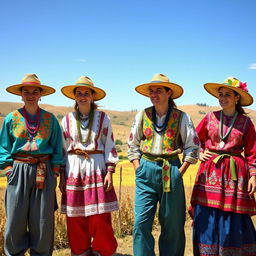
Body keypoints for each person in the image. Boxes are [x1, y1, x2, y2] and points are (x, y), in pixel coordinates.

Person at [127, 73, 200, 256]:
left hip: (171, 169)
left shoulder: (181, 117)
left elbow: (193, 147)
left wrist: (179, 172)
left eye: (158, 90)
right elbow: (133, 144)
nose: (153, 94)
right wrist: (139, 168)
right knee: (140, 224)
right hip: (146, 170)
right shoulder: (142, 115)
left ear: (169, 93)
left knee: (172, 225)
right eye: (151, 91)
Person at [190, 77, 256, 255]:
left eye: (227, 94)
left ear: (237, 98)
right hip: (209, 171)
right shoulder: (210, 117)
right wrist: (200, 152)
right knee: (207, 214)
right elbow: (194, 140)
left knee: (232, 215)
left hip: (235, 176)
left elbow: (252, 151)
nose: (223, 98)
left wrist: (253, 176)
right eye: (220, 95)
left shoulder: (246, 123)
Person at [0, 74, 63, 255]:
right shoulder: (11, 118)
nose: (30, 95)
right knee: (15, 219)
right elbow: (3, 146)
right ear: (21, 94)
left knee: (42, 220)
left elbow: (57, 147)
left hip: (44, 169)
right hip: (18, 170)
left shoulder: (50, 119)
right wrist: (9, 169)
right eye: (26, 91)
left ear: (40, 94)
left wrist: (55, 172)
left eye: (35, 91)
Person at [59, 75, 119, 256]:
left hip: (97, 168)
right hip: (73, 169)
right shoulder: (67, 119)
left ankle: (103, 251)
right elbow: (62, 149)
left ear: (93, 96)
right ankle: (80, 251)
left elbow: (109, 144)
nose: (83, 96)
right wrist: (62, 175)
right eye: (79, 93)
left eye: (86, 93)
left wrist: (110, 171)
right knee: (75, 217)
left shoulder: (103, 118)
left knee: (99, 217)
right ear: (74, 97)